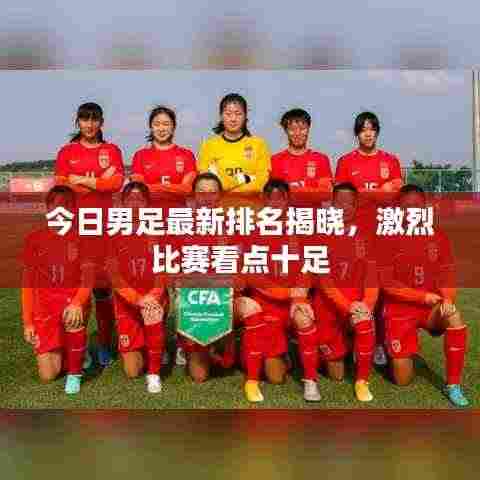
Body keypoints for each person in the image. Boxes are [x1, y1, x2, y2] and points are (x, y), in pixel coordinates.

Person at [378, 184, 469, 407]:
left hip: (430, 308)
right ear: (398, 208)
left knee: (454, 316)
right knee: (402, 380)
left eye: (417, 206)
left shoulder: (438, 236)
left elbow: (447, 274)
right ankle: (393, 348)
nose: (412, 211)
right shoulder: (387, 237)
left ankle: (453, 385)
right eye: (406, 206)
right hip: (399, 310)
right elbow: (387, 284)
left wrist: (447, 298)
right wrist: (422, 297)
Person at [290, 183, 378, 402]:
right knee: (336, 374)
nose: (345, 207)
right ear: (332, 204)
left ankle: (362, 381)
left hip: (356, 304)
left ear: (356, 205)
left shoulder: (367, 234)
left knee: (364, 321)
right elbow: (323, 281)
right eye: (340, 203)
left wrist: (367, 304)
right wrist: (347, 306)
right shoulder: (320, 233)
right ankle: (312, 368)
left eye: (350, 203)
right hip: (328, 307)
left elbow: (372, 276)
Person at [54, 102, 125, 367]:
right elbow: (62, 187)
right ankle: (79, 346)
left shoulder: (111, 150)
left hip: (105, 230)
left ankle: (105, 344)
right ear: (78, 122)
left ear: (101, 122)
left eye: (95, 119)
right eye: (85, 119)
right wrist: (98, 182)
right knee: (77, 290)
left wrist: (81, 180)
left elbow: (116, 183)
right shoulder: (67, 152)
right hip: (76, 230)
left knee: (103, 290)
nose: (90, 124)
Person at [335, 111, 403, 366]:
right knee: (355, 284)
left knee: (382, 288)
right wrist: (378, 191)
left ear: (377, 132)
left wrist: (365, 194)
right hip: (355, 233)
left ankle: (379, 342)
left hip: (383, 233)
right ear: (357, 133)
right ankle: (356, 338)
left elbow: (395, 193)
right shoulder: (345, 162)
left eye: (371, 129)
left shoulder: (390, 161)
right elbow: (343, 198)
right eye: (363, 129)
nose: (368, 133)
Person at [20, 186, 92, 394]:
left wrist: (77, 303)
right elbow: (27, 283)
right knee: (48, 374)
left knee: (73, 317)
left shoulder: (83, 238)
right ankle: (73, 349)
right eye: (56, 205)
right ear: (48, 208)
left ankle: (75, 373)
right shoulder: (34, 239)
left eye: (66, 205)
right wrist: (28, 322)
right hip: (45, 309)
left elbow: (88, 279)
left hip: (71, 303)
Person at [234, 179, 294, 402]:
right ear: (263, 200)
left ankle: (286, 349)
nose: (275, 203)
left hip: (291, 304)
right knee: (273, 376)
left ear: (288, 200)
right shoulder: (251, 231)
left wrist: (297, 296)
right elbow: (246, 273)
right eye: (271, 198)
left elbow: (308, 270)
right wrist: (280, 293)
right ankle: (246, 350)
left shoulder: (300, 230)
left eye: (281, 198)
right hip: (263, 304)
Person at [107, 182, 168, 393]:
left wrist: (153, 296)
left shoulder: (158, 230)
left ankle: (154, 373)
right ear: (123, 203)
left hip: (153, 297)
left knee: (152, 316)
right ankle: (149, 343)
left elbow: (163, 269)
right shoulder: (112, 232)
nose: (135, 204)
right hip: (127, 302)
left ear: (147, 203)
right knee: (132, 371)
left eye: (140, 199)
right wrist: (136, 299)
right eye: (130, 199)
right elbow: (114, 275)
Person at [176, 172, 236, 383]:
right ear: (194, 195)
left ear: (220, 195)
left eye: (212, 192)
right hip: (195, 295)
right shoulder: (181, 223)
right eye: (202, 192)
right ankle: (188, 344)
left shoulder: (232, 223)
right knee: (199, 376)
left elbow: (239, 268)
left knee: (228, 364)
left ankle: (227, 341)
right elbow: (175, 269)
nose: (207, 197)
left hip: (223, 293)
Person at [198, 93, 271, 193]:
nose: (233, 119)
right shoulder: (209, 145)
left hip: (251, 202)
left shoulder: (259, 144)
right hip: (219, 202)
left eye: (238, 114)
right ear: (221, 116)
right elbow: (206, 183)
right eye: (228, 114)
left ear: (245, 116)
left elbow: (262, 182)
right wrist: (246, 179)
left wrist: (229, 189)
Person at [130, 105, 197, 195]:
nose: (161, 129)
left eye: (166, 124)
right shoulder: (140, 156)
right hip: (150, 205)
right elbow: (139, 189)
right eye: (156, 124)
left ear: (173, 127)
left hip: (177, 205)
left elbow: (187, 188)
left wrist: (150, 187)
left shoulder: (187, 155)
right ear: (151, 128)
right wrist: (174, 188)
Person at [271, 108, 332, 193]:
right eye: (292, 129)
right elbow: (275, 193)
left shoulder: (321, 159)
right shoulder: (275, 160)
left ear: (308, 129)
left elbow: (325, 191)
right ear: (286, 131)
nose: (297, 133)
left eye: (302, 128)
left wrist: (293, 189)